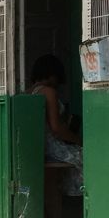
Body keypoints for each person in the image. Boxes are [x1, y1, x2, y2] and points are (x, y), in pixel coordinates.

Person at [30, 54, 83, 197]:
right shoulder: (49, 92)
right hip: (52, 147)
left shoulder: (29, 93)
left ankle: (57, 217)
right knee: (90, 157)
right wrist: (78, 140)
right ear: (52, 73)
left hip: (37, 147)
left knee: (50, 185)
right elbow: (56, 128)